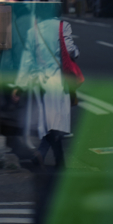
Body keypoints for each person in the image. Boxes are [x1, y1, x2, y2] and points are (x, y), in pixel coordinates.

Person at [14, 12, 79, 169]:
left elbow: (27, 61)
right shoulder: (63, 27)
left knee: (51, 122)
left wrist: (19, 86)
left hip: (40, 83)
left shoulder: (33, 31)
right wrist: (77, 52)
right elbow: (71, 51)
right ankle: (46, 155)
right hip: (58, 80)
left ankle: (53, 159)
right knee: (57, 121)